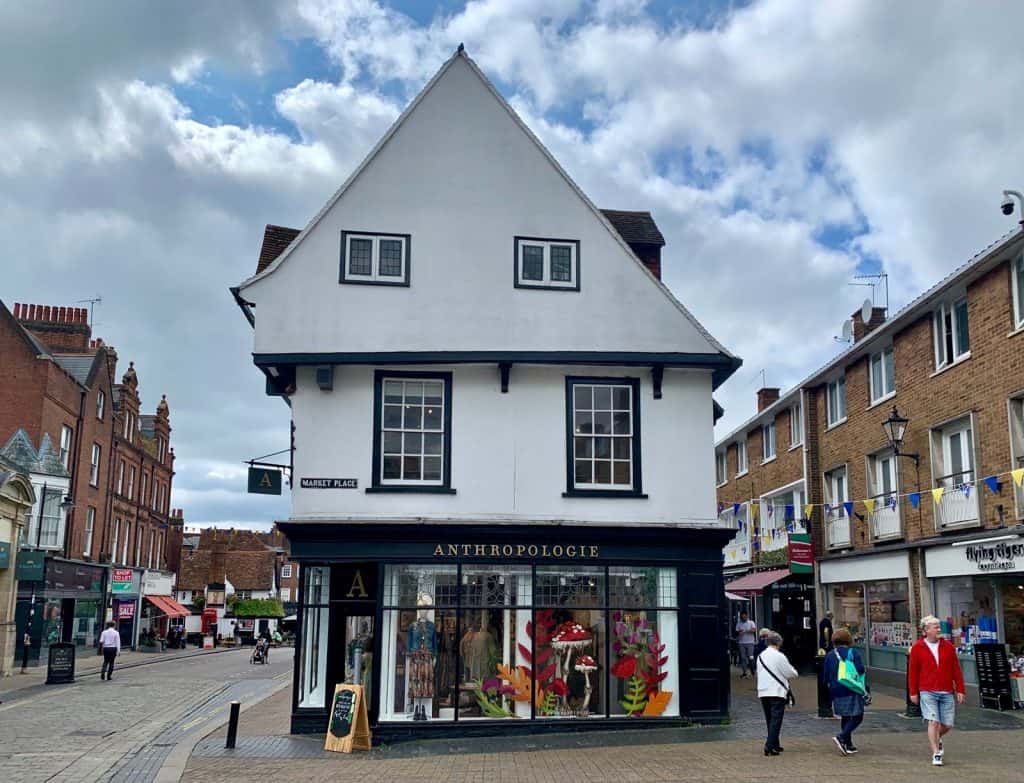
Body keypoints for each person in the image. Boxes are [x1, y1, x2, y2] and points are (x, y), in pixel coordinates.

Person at [908, 615, 965, 766]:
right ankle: (936, 753)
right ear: (926, 630)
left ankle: (936, 737)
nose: (939, 629)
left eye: (939, 626)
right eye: (935, 627)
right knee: (933, 721)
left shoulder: (948, 647)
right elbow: (913, 671)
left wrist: (960, 689)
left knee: (947, 724)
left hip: (946, 690)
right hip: (927, 690)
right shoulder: (917, 648)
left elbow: (956, 670)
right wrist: (913, 692)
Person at [823, 628, 866, 755]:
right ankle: (842, 737)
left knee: (845, 716)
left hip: (836, 690)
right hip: (851, 687)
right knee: (858, 716)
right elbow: (860, 670)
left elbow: (825, 676)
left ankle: (848, 744)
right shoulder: (853, 653)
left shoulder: (830, 655)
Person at [756, 630, 798, 756]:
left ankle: (775, 745)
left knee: (770, 719)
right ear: (778, 643)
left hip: (763, 690)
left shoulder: (761, 656)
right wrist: (795, 672)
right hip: (776, 691)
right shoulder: (779, 656)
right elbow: (790, 672)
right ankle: (769, 745)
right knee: (776, 719)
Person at [735, 611, 757, 679]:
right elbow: (737, 631)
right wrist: (739, 632)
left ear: (747, 616)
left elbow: (754, 630)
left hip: (750, 642)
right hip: (741, 643)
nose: (743, 618)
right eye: (742, 617)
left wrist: (745, 631)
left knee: (751, 657)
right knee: (743, 658)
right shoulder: (739, 623)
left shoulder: (751, 622)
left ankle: (752, 670)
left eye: (744, 617)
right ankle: (744, 672)